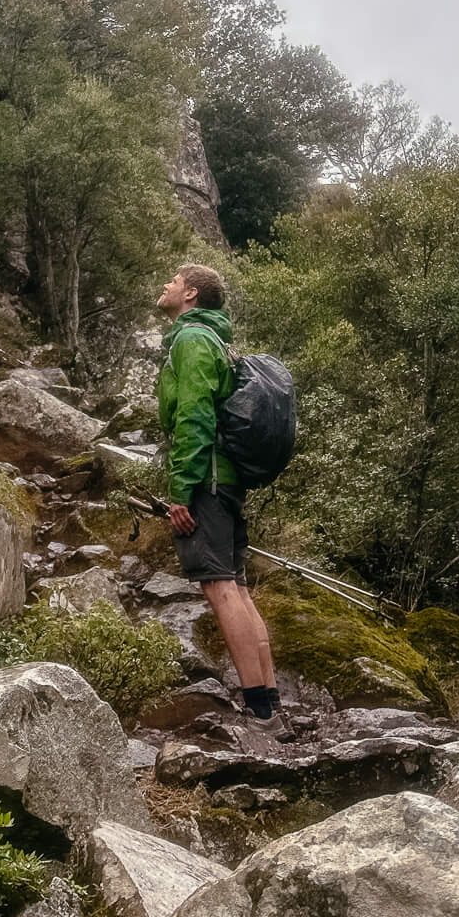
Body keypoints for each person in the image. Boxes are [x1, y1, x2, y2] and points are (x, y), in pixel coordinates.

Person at [156, 262, 280, 720]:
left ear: (190, 293)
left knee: (219, 587)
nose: (166, 285)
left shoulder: (191, 340)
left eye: (173, 281)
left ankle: (258, 709)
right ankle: (269, 699)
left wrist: (181, 491)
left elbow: (195, 416)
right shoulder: (215, 339)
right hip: (226, 478)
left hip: (206, 479)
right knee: (237, 588)